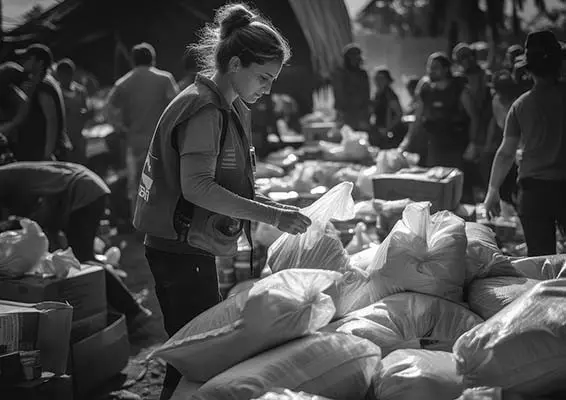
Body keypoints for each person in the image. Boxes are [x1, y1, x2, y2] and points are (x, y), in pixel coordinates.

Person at [132, 4, 312, 399]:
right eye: (263, 77)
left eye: (272, 80)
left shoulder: (226, 107)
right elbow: (197, 188)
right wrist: (271, 215)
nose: (268, 89)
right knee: (194, 359)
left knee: (194, 354)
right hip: (178, 251)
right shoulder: (204, 109)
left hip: (190, 246)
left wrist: (276, 208)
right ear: (234, 64)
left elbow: (224, 185)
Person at [0, 161, 151, 329]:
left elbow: (26, 210)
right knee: (79, 259)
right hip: (84, 188)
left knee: (83, 260)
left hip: (82, 191)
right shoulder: (7, 175)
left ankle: (133, 311)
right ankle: (118, 306)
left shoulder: (4, 179)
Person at [484, 30, 566, 256]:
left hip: (534, 193)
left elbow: (505, 153)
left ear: (529, 71)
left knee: (540, 259)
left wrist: (492, 191)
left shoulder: (520, 106)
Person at [106, 42, 179, 209]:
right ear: (153, 59)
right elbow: (176, 107)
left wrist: (120, 129)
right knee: (163, 183)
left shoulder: (124, 82)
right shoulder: (164, 79)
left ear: (133, 61)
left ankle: (138, 220)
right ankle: (162, 219)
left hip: (135, 142)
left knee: (138, 186)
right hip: (160, 141)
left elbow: (109, 109)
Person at [399, 53, 478, 171]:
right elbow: (418, 118)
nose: (431, 71)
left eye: (435, 67)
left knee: (455, 177)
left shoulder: (460, 90)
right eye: (429, 67)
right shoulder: (426, 90)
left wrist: (473, 143)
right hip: (434, 144)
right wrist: (407, 142)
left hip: (457, 144)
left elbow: (474, 117)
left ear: (445, 69)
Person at [11, 44, 71, 161]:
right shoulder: (42, 83)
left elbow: (51, 121)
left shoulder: (43, 86)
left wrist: (47, 154)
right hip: (37, 150)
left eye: (29, 58)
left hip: (41, 153)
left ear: (40, 63)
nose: (24, 61)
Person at [54, 58, 90, 165]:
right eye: (62, 74)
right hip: (63, 139)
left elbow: (86, 109)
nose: (65, 77)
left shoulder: (81, 91)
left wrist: (84, 113)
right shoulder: (56, 91)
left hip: (79, 137)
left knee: (81, 164)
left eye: (68, 73)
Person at [332, 43, 371, 131]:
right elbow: (338, 94)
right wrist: (341, 112)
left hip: (361, 113)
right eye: (353, 57)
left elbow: (366, 94)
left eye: (357, 57)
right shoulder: (340, 73)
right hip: (346, 113)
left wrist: (366, 112)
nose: (355, 59)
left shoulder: (362, 74)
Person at [370, 67, 403, 148]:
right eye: (376, 78)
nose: (378, 81)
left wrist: (388, 128)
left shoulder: (389, 95)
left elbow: (399, 114)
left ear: (387, 80)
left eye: (381, 78)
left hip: (388, 133)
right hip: (378, 131)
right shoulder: (378, 94)